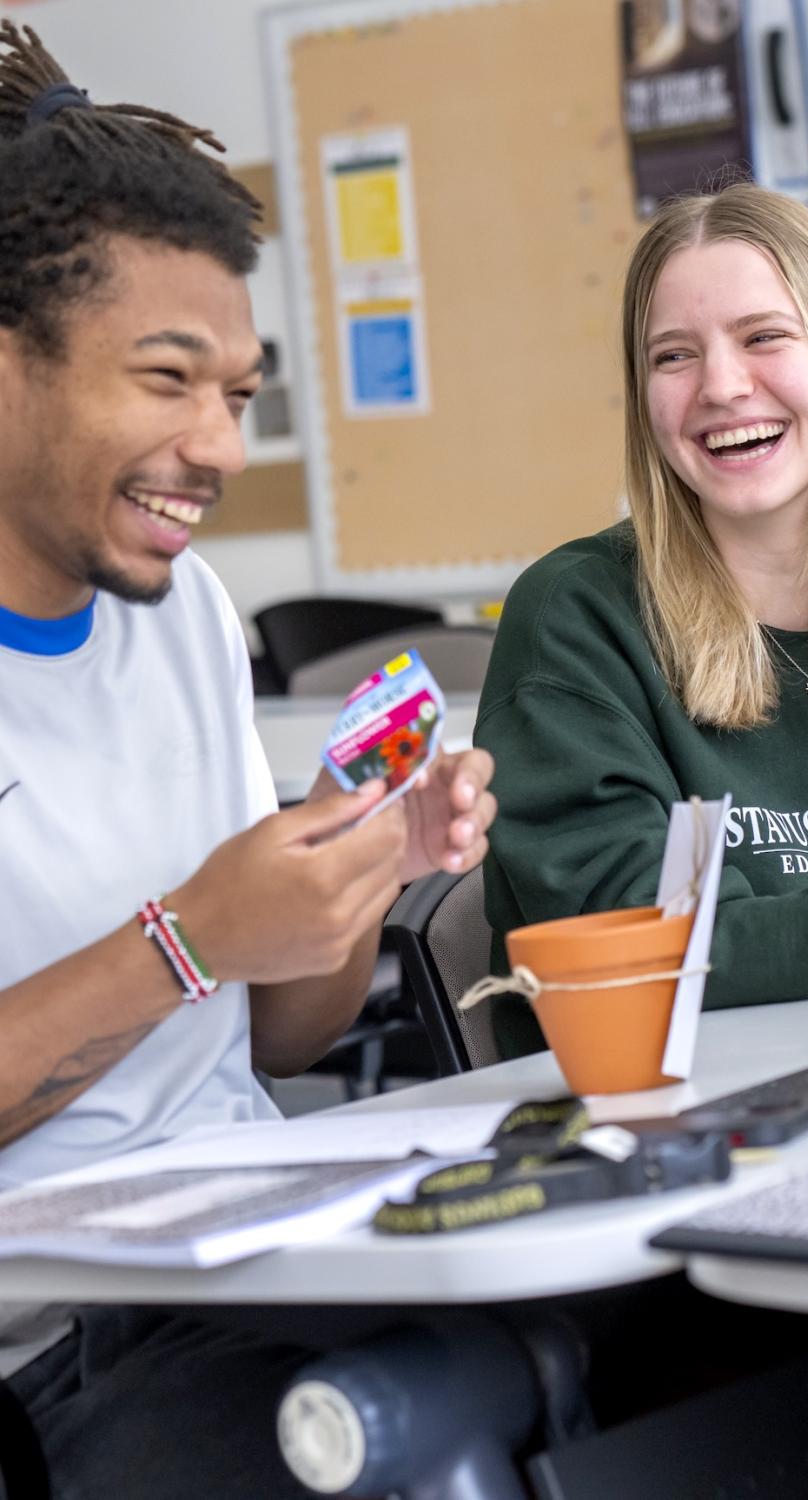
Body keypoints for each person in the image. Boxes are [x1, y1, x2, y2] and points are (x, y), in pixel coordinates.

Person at [0, 22, 495, 1497]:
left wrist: (356, 864)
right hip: (58, 1340)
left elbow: (280, 1039)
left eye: (240, 393)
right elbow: (194, 954)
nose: (217, 445)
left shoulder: (182, 607)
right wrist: (188, 934)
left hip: (257, 1242)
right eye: (169, 380)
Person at [476, 179, 808, 1060]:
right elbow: (630, 949)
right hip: (664, 1120)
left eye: (764, 338)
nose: (721, 385)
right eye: (672, 356)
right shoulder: (578, 619)